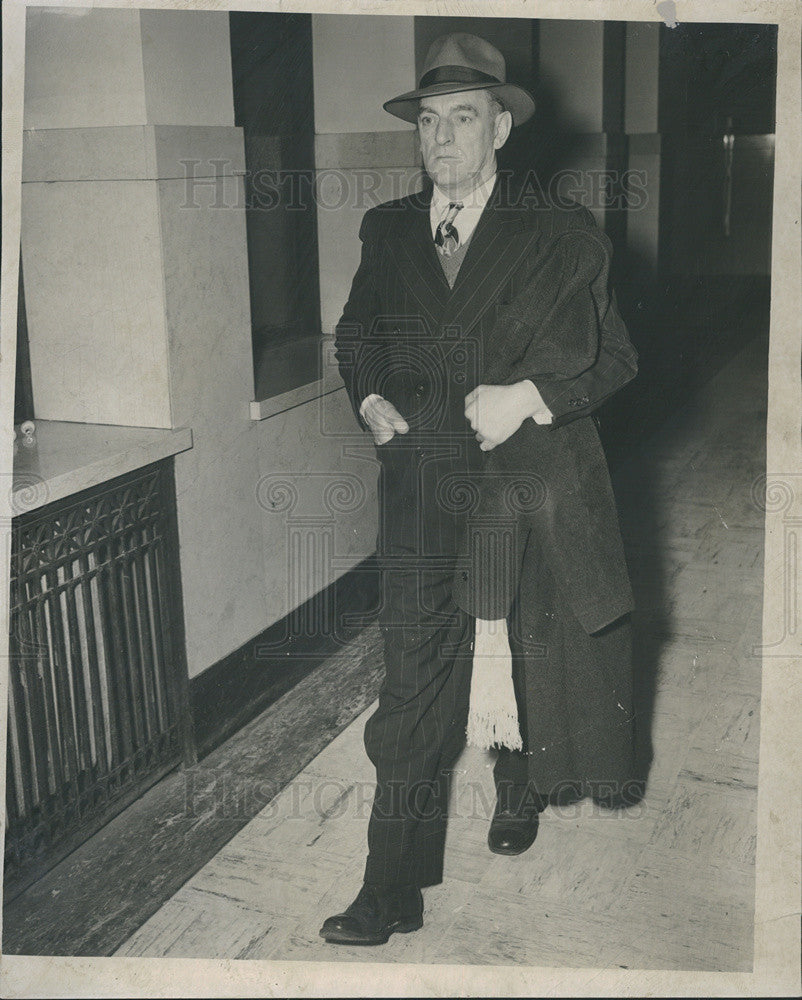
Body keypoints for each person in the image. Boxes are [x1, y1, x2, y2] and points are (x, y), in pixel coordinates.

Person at [320, 32, 639, 947]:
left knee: (518, 650)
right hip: (421, 490)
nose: (443, 139)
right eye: (429, 121)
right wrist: (371, 392)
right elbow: (356, 332)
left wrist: (532, 395)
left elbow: (616, 357)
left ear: (500, 127)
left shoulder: (560, 235)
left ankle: (518, 783)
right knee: (414, 683)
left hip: (519, 488)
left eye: (464, 117)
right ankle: (392, 885)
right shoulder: (387, 231)